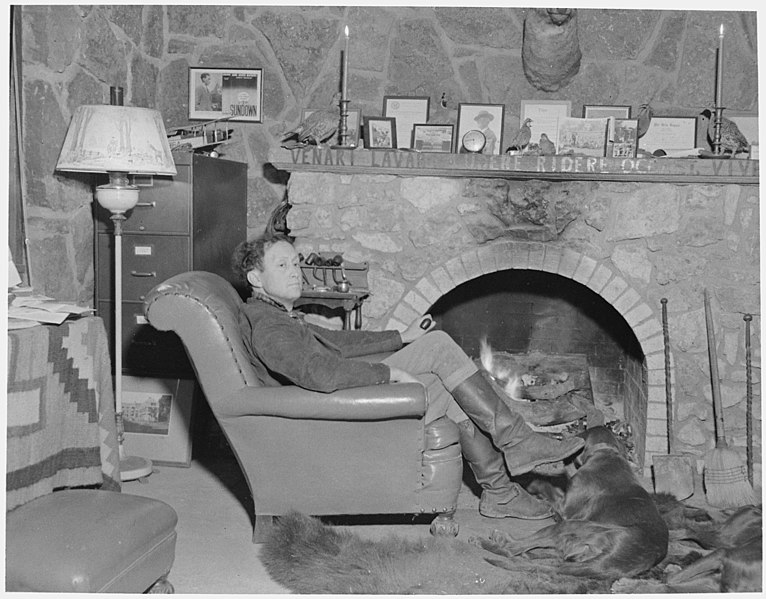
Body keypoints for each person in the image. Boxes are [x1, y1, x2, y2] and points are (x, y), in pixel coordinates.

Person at [232, 232, 584, 520]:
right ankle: (514, 452)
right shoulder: (269, 328)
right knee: (440, 349)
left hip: (334, 405)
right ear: (256, 278)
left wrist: (400, 337)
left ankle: (502, 488)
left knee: (444, 369)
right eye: (282, 265)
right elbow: (318, 373)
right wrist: (387, 373)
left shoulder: (278, 316)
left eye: (296, 263)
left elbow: (336, 342)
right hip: (331, 415)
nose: (296, 271)